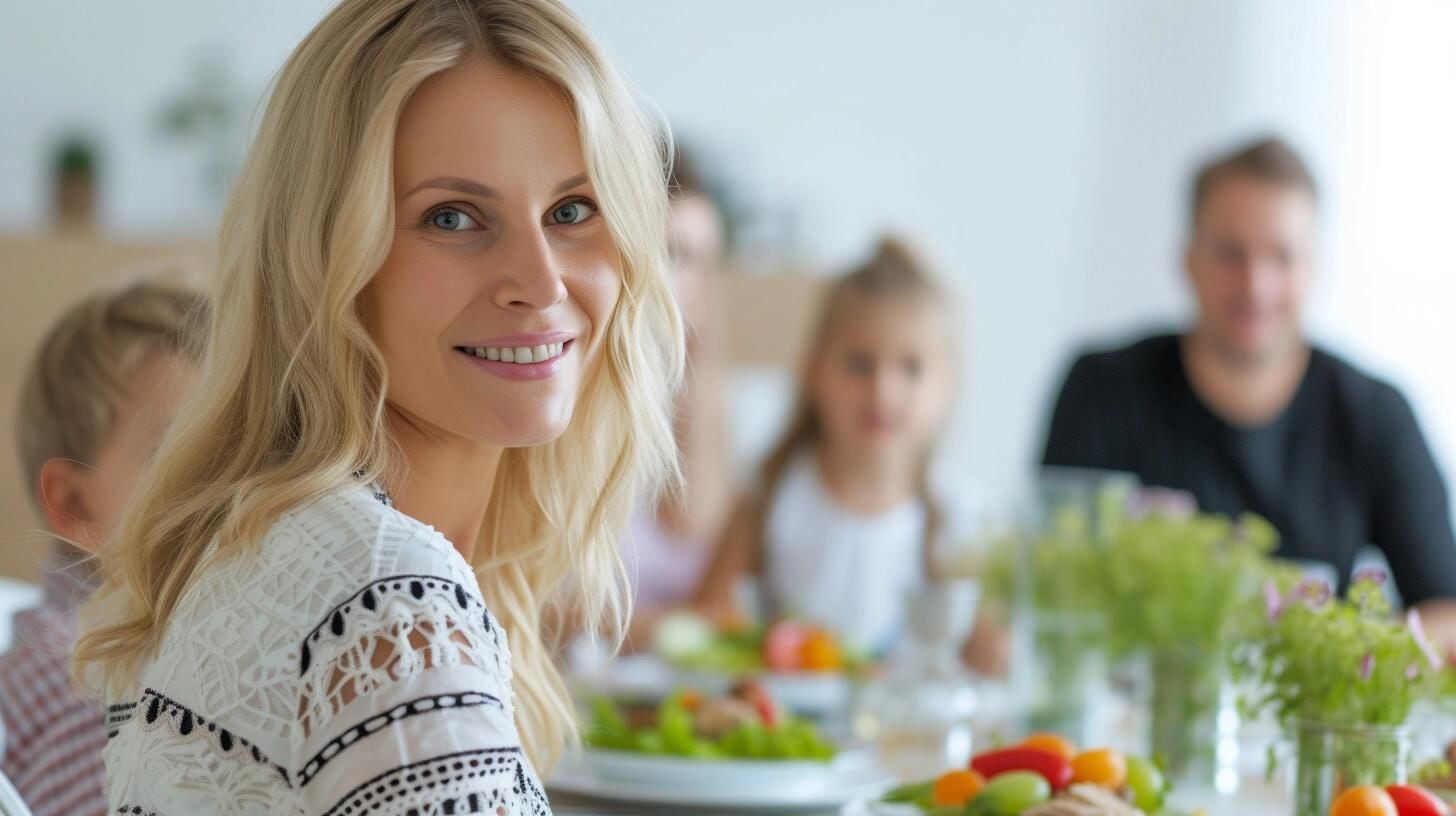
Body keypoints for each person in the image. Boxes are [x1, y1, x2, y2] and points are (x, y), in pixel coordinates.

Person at [72, 1, 683, 814]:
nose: (539, 283)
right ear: (323, 260)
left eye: (572, 211)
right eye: (453, 218)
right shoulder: (387, 603)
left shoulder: (252, 545)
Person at [1042, 136, 1456, 636]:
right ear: (1188, 258)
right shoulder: (1103, 388)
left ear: (1314, 268)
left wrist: (1355, 653)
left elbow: (1445, 610)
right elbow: (1047, 585)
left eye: (1282, 256)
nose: (1255, 285)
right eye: (1230, 253)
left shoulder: (1376, 413)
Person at [694, 237, 960, 655]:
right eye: (859, 364)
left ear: (946, 384)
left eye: (911, 368)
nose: (883, 391)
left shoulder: (953, 519)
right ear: (814, 370)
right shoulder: (771, 495)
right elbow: (706, 619)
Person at [0, 281, 205, 816]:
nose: (229, 485)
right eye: (182, 454)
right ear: (74, 505)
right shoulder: (81, 682)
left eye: (248, 447)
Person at [621, 146, 730, 624]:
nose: (695, 285)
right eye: (674, 254)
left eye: (705, 262)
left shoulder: (703, 404)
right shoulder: (557, 409)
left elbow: (696, 534)